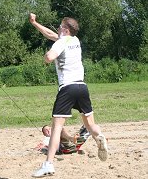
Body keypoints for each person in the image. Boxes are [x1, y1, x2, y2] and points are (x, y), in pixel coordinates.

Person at [29, 13, 108, 177]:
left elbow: (50, 57)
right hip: (82, 87)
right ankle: (99, 137)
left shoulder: (60, 42)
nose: (57, 28)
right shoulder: (75, 40)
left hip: (67, 88)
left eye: (60, 26)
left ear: (65, 29)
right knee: (90, 123)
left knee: (56, 128)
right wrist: (35, 23)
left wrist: (46, 56)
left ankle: (48, 164)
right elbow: (51, 35)